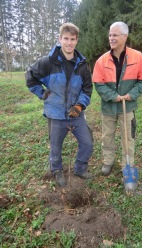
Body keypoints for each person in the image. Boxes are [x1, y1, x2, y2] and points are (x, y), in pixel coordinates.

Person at [26, 22, 93, 187]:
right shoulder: (48, 62)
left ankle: (79, 168)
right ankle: (57, 171)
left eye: (72, 39)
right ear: (60, 39)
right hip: (55, 115)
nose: (69, 42)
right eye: (66, 38)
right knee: (55, 147)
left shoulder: (83, 65)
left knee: (87, 143)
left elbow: (87, 89)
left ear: (77, 40)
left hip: (76, 114)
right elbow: (30, 77)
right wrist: (42, 93)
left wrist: (79, 106)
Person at [92, 21, 142, 176]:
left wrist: (132, 94)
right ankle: (108, 161)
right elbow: (98, 83)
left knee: (128, 137)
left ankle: (127, 165)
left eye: (115, 35)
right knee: (107, 136)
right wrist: (114, 96)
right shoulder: (101, 61)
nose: (111, 38)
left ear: (125, 37)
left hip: (128, 106)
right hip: (108, 107)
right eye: (110, 35)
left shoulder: (137, 57)